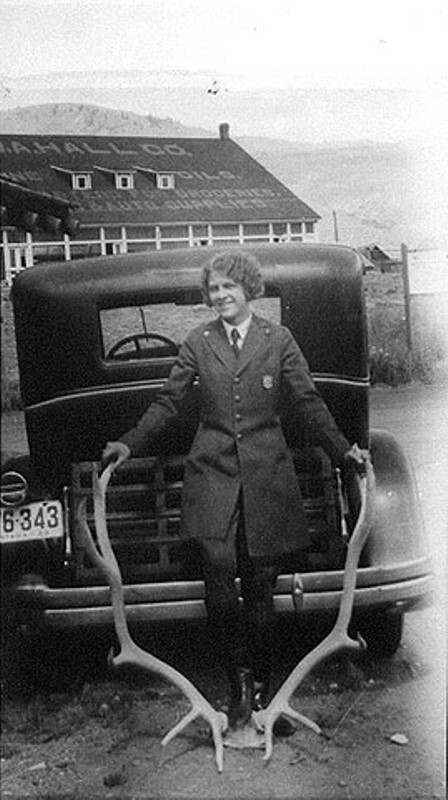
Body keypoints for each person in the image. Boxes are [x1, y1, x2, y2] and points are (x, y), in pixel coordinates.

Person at [102, 250, 366, 733]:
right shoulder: (198, 342)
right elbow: (168, 402)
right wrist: (128, 443)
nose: (220, 296)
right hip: (213, 478)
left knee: (262, 585)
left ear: (249, 290)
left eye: (229, 287)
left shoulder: (278, 339)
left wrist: (344, 449)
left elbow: (307, 401)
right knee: (220, 581)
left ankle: (264, 692)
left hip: (266, 480)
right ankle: (236, 685)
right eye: (214, 290)